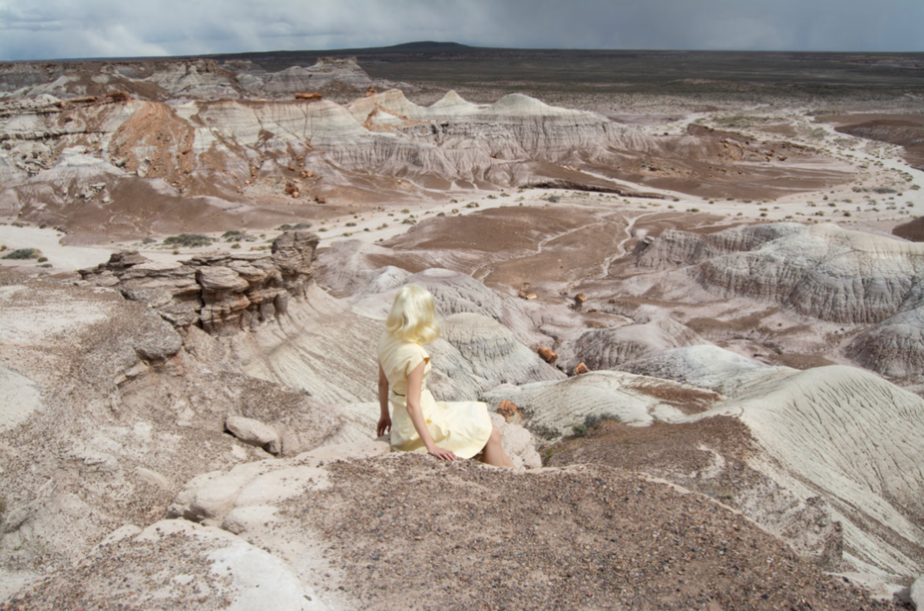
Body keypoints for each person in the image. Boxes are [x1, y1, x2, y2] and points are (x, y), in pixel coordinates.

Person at [376, 285, 513, 467]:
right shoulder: (416, 355)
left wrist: (385, 415)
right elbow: (412, 405)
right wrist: (432, 446)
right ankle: (502, 479)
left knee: (487, 430)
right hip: (417, 428)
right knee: (492, 433)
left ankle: (518, 475)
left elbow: (382, 383)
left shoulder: (386, 338)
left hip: (404, 424)